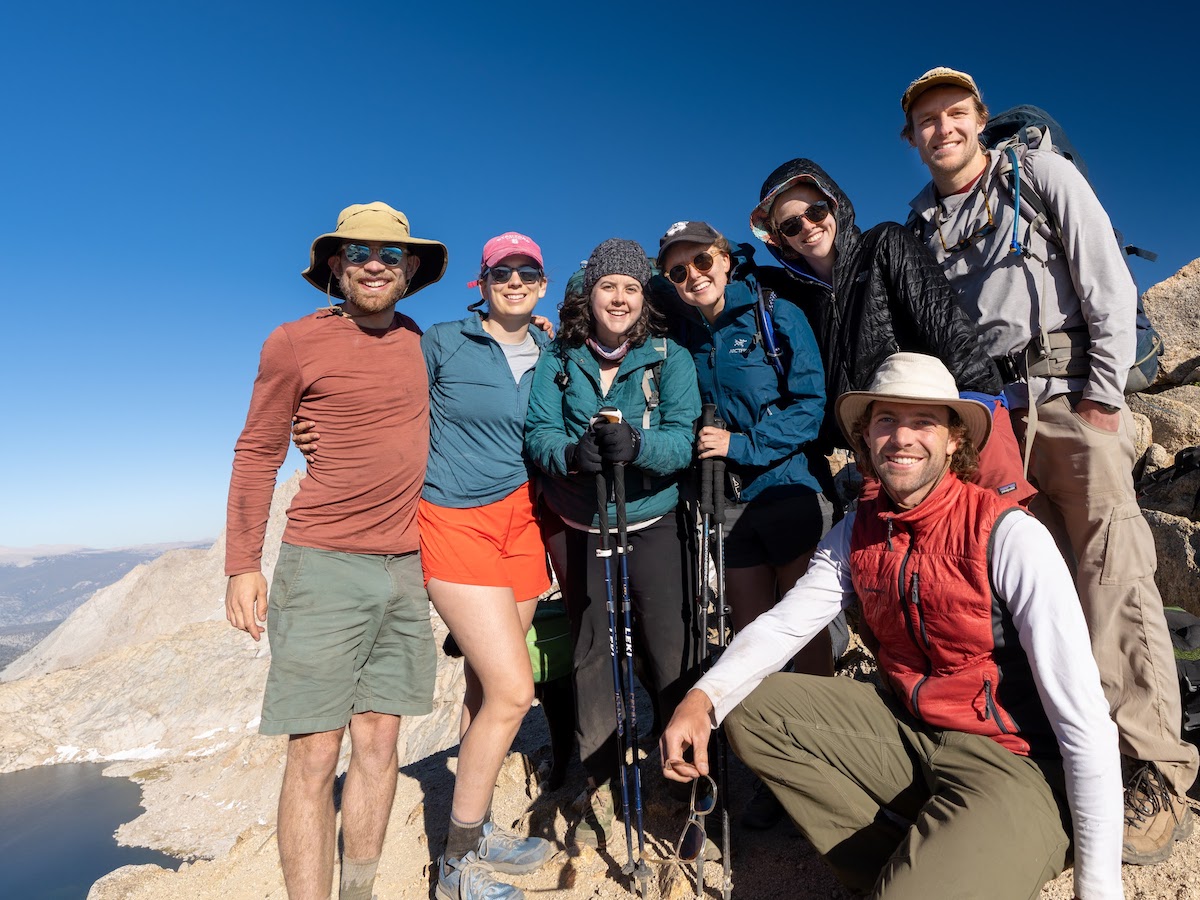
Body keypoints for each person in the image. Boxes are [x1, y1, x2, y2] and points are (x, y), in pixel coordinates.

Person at [661, 353, 1123, 900]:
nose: (902, 437)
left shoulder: (1010, 535)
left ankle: (967, 856)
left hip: (1014, 761)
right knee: (753, 712)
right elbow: (783, 627)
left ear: (954, 440)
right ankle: (899, 868)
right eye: (886, 420)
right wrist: (703, 696)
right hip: (913, 732)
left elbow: (1084, 719)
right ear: (867, 437)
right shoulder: (858, 531)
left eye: (923, 421)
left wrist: (1100, 888)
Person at [900, 65, 1198, 864]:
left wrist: (1103, 398)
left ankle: (1157, 769)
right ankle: (1079, 755)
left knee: (1115, 576)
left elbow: (1103, 277)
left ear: (978, 118)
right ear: (912, 137)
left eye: (955, 113)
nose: (943, 129)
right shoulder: (923, 223)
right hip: (993, 418)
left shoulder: (1040, 174)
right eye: (927, 120)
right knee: (1040, 591)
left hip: (1068, 395)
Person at [293, 231, 560, 900]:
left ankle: (481, 822)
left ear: (543, 283)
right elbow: (375, 378)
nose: (516, 281)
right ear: (483, 281)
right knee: (513, 692)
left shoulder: (554, 351)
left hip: (522, 523)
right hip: (453, 520)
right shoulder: (440, 340)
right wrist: (312, 422)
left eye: (528, 271)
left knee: (482, 688)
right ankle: (456, 865)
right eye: (504, 271)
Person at [224, 202, 446, 900]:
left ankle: (360, 891)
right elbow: (258, 450)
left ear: (409, 269)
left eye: (389, 254)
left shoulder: (424, 343)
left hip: (407, 569)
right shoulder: (292, 342)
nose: (374, 264)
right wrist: (240, 564)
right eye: (358, 253)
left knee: (380, 741)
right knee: (316, 751)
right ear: (334, 266)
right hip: (321, 565)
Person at [653, 221, 843, 829]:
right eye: (677, 271)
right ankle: (775, 771)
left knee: (804, 631)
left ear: (727, 258)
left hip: (787, 489)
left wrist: (742, 442)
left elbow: (812, 407)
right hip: (727, 505)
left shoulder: (775, 315)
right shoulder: (679, 333)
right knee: (752, 633)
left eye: (702, 260)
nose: (693, 276)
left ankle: (829, 764)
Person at [524, 238, 701, 848]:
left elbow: (683, 435)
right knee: (592, 647)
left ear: (642, 297)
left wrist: (642, 448)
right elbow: (539, 431)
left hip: (650, 519)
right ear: (589, 295)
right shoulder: (560, 358)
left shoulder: (668, 356)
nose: (619, 297)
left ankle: (678, 764)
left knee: (666, 645)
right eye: (608, 286)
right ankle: (595, 766)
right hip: (583, 523)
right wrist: (572, 456)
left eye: (630, 287)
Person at [747, 157, 1035, 506]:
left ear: (834, 205)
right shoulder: (798, 300)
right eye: (791, 225)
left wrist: (981, 404)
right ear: (779, 240)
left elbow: (944, 321)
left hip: (949, 423)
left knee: (1002, 532)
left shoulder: (885, 243)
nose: (807, 227)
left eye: (816, 211)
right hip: (882, 446)